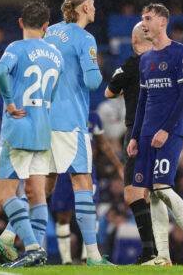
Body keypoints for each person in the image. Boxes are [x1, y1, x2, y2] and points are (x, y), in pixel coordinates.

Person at [127, 3, 183, 266]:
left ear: (163, 22)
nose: (143, 23)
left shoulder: (180, 53)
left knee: (162, 186)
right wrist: (135, 136)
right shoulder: (146, 59)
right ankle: (163, 255)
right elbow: (142, 101)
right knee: (152, 191)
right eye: (142, 18)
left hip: (171, 131)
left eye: (148, 18)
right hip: (148, 132)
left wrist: (165, 129)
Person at [0, 1, 63, 268]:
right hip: (43, 129)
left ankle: (32, 247)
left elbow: (0, 72)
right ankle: (39, 251)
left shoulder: (15, 48)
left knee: (4, 192)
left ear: (21, 22)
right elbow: (54, 91)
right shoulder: (55, 55)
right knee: (36, 192)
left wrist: (10, 101)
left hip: (18, 128)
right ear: (46, 26)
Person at [43, 0, 112, 266]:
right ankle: (93, 256)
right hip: (70, 121)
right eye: (92, 4)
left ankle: (14, 237)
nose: (95, 8)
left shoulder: (50, 32)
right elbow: (94, 82)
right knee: (82, 181)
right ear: (83, 8)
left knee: (42, 184)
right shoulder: (85, 38)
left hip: (42, 119)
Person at [105, 21, 161, 264]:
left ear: (134, 40)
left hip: (137, 133)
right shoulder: (162, 64)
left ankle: (151, 251)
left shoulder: (131, 65)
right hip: (163, 133)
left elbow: (109, 92)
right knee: (156, 192)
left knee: (133, 193)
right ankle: (159, 251)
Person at [51, 111, 123, 264]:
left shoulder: (93, 117)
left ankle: (87, 257)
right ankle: (66, 261)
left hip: (88, 169)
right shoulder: (60, 113)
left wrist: (118, 165)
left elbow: (102, 143)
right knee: (63, 215)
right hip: (64, 169)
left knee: (91, 212)